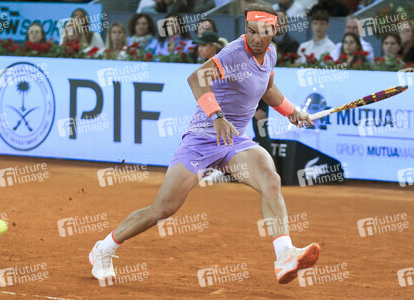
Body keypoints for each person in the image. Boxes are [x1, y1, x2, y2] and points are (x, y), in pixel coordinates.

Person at [89, 2, 320, 285]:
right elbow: (196, 78)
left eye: (263, 32)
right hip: (202, 138)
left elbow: (268, 89)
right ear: (245, 29)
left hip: (234, 141)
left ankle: (284, 254)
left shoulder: (270, 54)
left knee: (269, 178)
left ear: (274, 30)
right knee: (163, 209)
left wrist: (292, 112)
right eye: (251, 32)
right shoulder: (235, 53)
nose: (257, 39)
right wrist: (217, 116)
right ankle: (105, 248)